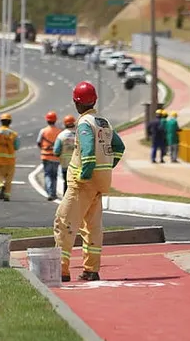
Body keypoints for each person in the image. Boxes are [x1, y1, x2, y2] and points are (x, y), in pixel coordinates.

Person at [54, 81, 125, 283]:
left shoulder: (85, 123)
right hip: (101, 181)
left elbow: (87, 149)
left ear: (77, 103)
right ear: (94, 100)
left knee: (64, 222)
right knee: (92, 226)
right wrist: (107, 167)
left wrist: (85, 173)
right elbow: (119, 147)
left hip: (83, 183)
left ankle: (61, 269)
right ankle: (91, 270)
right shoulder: (103, 122)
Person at [0, 113, 20, 201]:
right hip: (10, 159)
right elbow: (17, 146)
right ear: (10, 122)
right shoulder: (13, 134)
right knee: (9, 178)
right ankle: (7, 195)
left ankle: (0, 185)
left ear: (1, 122)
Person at [37, 111, 62, 201]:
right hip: (56, 157)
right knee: (54, 175)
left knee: (47, 174)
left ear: (47, 120)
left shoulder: (43, 131)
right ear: (55, 120)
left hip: (46, 156)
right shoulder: (59, 131)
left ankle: (49, 192)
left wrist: (44, 149)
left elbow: (39, 142)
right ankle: (53, 193)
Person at [53, 114, 77, 197]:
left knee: (67, 183)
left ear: (65, 124)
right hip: (78, 165)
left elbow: (56, 151)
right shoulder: (80, 135)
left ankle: (66, 201)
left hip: (65, 164)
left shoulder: (61, 136)